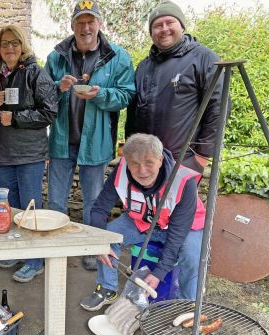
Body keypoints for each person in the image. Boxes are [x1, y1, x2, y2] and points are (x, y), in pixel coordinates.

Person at [44, 0, 135, 271]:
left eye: (90, 21)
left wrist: (101, 94)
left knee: (94, 201)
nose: (86, 27)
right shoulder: (56, 57)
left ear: (99, 24)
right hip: (61, 140)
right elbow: (43, 95)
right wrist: (59, 88)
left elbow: (127, 94)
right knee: (56, 200)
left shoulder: (117, 56)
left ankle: (91, 247)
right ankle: (57, 248)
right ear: (72, 25)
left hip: (95, 143)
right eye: (80, 22)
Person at [80, 134, 206, 311]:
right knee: (108, 237)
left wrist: (158, 274)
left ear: (160, 160)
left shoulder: (184, 182)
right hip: (143, 221)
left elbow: (177, 235)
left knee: (192, 256)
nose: (142, 171)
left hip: (184, 227)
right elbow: (100, 208)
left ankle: (186, 304)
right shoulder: (121, 171)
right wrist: (99, 244)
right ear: (127, 161)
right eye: (135, 164)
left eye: (149, 163)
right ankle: (107, 288)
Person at [0, 24, 58, 282]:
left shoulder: (36, 73)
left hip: (29, 154)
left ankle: (35, 260)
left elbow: (49, 112)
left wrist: (15, 118)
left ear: (22, 45)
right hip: (2, 153)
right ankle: (17, 250)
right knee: (10, 208)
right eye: (5, 44)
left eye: (14, 43)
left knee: (30, 208)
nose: (10, 48)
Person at [125, 0, 223, 174]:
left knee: (180, 202)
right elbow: (133, 112)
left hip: (183, 161)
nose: (164, 29)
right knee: (145, 202)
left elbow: (218, 108)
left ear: (182, 26)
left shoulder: (204, 59)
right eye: (157, 25)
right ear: (151, 32)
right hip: (145, 161)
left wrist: (202, 156)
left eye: (169, 22)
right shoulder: (143, 67)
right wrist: (130, 146)